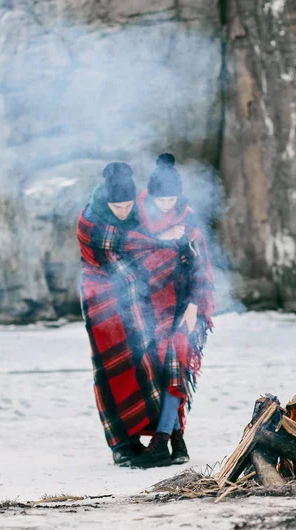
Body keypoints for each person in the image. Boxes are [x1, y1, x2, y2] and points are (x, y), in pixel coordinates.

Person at [77, 162, 184, 467]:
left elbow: (147, 252)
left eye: (127, 205)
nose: (124, 211)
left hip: (139, 302)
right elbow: (125, 242)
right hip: (102, 304)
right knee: (114, 374)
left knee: (149, 365)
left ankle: (160, 437)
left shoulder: (137, 212)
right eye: (117, 206)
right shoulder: (89, 220)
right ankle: (123, 444)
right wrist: (163, 238)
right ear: (106, 201)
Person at [130, 153, 215, 469]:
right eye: (161, 199)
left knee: (175, 367)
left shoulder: (188, 221)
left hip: (185, 306)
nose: (166, 204)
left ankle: (162, 440)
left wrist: (194, 305)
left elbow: (200, 269)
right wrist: (157, 238)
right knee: (163, 372)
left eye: (171, 198)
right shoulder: (141, 218)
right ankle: (178, 443)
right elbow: (129, 249)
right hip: (150, 307)